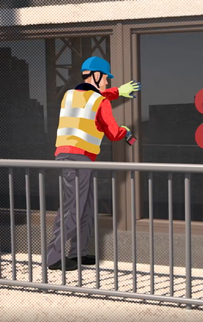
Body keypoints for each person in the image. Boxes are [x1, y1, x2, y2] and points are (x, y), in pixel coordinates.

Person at [46, 56, 141, 271]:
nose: (107, 82)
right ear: (97, 76)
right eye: (106, 78)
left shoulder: (69, 95)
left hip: (68, 156)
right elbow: (113, 132)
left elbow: (91, 96)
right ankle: (54, 257)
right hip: (79, 158)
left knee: (86, 207)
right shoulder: (100, 102)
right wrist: (125, 130)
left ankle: (78, 253)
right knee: (73, 208)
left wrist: (117, 91)